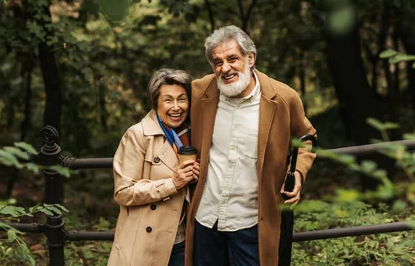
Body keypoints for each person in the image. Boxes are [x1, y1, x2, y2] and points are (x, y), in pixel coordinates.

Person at [184, 25, 317, 266]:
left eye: (232, 58)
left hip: (252, 222)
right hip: (206, 219)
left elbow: (307, 138)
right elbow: (166, 109)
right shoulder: (199, 91)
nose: (225, 68)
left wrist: (297, 172)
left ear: (250, 58)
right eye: (217, 62)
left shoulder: (283, 98)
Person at [108, 69, 201, 266]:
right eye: (168, 100)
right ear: (155, 101)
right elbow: (123, 192)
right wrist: (172, 183)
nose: (176, 107)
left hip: (184, 241)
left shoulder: (196, 134)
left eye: (182, 99)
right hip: (145, 242)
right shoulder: (138, 135)